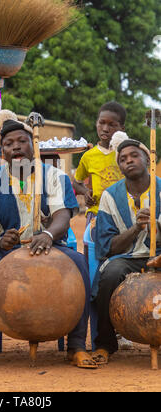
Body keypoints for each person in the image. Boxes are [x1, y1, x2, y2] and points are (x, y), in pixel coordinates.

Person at [0, 118, 97, 370]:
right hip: (4, 252)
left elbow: (63, 217)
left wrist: (47, 234)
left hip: (51, 246)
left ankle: (77, 346)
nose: (16, 147)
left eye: (22, 141)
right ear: (2, 151)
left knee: (79, 262)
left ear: (33, 146)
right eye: (9, 143)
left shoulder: (55, 176)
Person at [91, 137, 161, 365]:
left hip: (159, 255)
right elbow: (106, 247)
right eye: (123, 159)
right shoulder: (110, 196)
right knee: (109, 274)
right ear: (119, 167)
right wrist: (136, 228)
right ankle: (105, 343)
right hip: (127, 258)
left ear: (147, 159)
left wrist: (154, 227)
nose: (129, 161)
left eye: (134, 156)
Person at [73, 101, 126, 226]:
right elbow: (76, 182)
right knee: (92, 245)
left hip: (123, 214)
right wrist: (85, 192)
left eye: (112, 125)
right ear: (96, 123)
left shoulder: (125, 153)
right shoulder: (89, 156)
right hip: (96, 215)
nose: (105, 129)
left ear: (122, 129)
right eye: (101, 123)